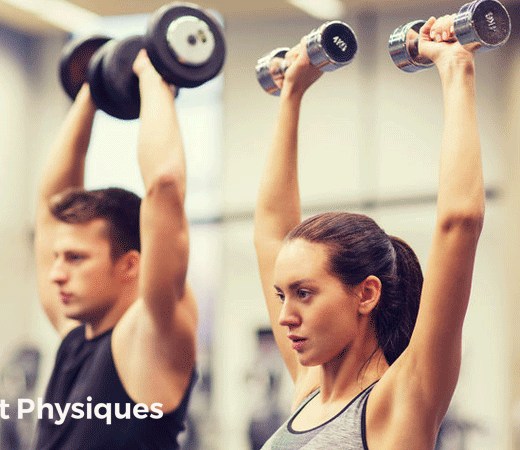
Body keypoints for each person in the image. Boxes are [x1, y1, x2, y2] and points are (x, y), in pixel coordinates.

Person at [253, 15, 485, 449]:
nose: (284, 316)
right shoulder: (308, 391)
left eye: (304, 293)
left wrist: (456, 67)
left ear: (366, 294)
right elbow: (270, 232)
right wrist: (291, 93)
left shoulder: (401, 399)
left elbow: (460, 222)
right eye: (283, 295)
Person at [33, 49, 197, 450]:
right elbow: (49, 204)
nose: (55, 274)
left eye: (75, 258)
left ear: (130, 265)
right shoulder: (76, 336)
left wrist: (153, 78)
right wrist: (94, 87)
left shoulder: (151, 335)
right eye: (57, 257)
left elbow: (165, 185)